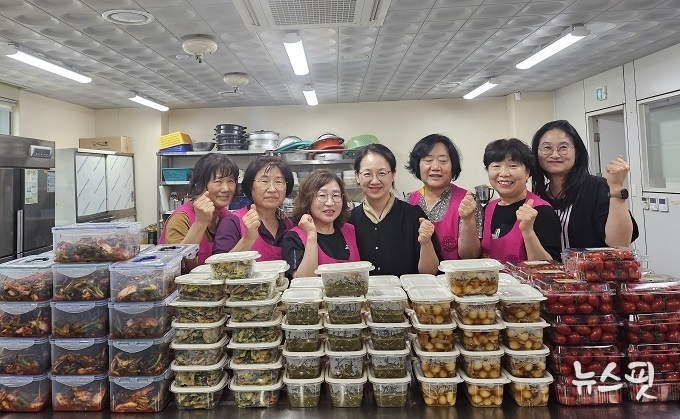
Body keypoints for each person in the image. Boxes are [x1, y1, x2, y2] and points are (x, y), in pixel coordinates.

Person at [531, 120, 639, 250]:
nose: (555, 155)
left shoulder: (596, 188)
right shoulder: (537, 195)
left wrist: (616, 187)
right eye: (547, 148)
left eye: (563, 147)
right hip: (547, 264)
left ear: (577, 152)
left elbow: (620, 244)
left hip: (593, 264)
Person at [348, 144, 440, 275]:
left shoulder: (414, 216)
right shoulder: (349, 222)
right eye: (367, 174)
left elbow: (431, 272)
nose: (375, 180)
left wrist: (426, 243)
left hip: (406, 288)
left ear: (393, 175)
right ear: (357, 176)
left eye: (382, 173)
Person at [472, 138, 562, 263]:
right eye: (496, 166)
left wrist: (528, 232)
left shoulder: (542, 211)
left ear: (527, 172)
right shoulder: (488, 209)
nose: (504, 173)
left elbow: (551, 267)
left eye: (513, 166)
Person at [406, 134, 482, 260]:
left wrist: (468, 219)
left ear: (453, 166)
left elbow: (470, 256)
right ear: (417, 165)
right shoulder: (408, 201)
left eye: (443, 161)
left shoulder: (467, 201)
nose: (435, 167)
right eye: (428, 160)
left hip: (455, 273)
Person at [159, 153, 239, 267]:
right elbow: (178, 265)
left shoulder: (225, 216)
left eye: (230, 181)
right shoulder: (181, 219)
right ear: (199, 186)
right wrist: (200, 222)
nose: (226, 188)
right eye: (218, 181)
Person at [212, 155, 295, 260]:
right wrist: (248, 239)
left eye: (279, 182)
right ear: (250, 185)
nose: (272, 189)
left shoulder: (288, 225)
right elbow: (218, 266)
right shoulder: (232, 223)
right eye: (264, 181)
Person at [282, 169, 360, 278]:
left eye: (336, 195)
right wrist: (311, 236)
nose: (330, 203)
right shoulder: (293, 238)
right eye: (322, 195)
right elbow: (304, 281)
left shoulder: (350, 230)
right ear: (307, 200)